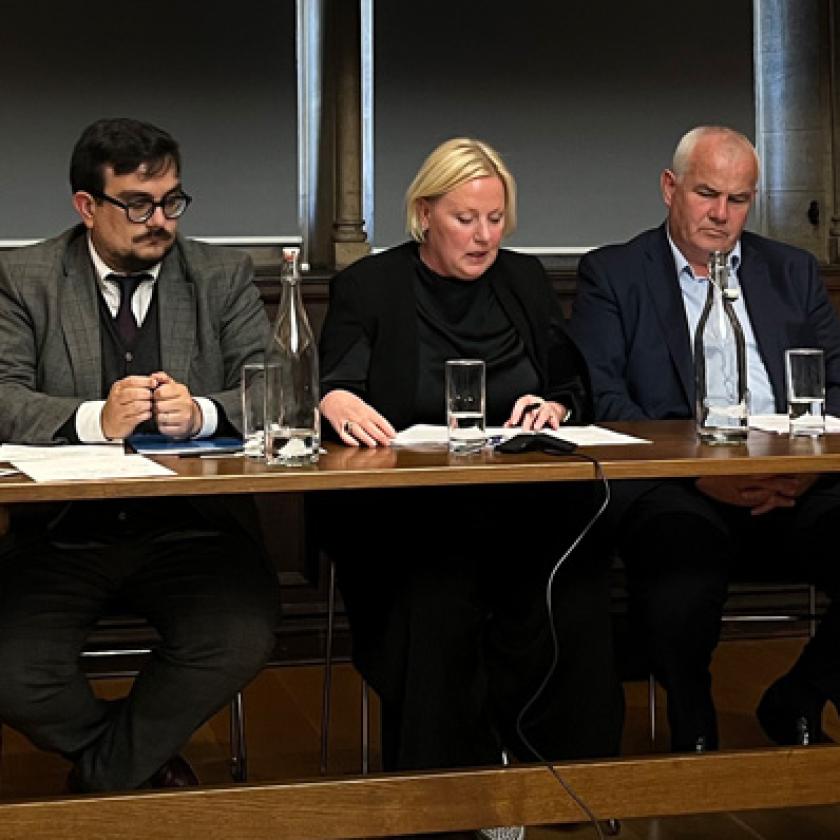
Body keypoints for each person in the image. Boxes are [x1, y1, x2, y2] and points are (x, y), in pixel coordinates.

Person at [317, 138, 623, 780]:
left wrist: (554, 407)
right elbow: (332, 380)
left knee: (578, 580)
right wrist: (337, 399)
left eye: (495, 219)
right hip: (409, 507)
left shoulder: (522, 279)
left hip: (520, 498)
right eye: (466, 219)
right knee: (440, 589)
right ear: (424, 212)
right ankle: (453, 788)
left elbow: (569, 378)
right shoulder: (370, 285)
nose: (484, 237)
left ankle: (560, 779)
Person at [0, 118, 280, 791]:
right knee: (10, 671)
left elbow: (279, 384)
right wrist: (92, 419)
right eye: (138, 204)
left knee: (239, 636)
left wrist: (204, 413)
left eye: (172, 202)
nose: (159, 221)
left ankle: (101, 780)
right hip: (60, 534)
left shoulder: (219, 274)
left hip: (195, 530)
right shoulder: (24, 277)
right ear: (86, 207)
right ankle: (135, 765)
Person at [569, 125, 840, 751]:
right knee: (677, 568)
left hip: (795, 483)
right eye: (706, 194)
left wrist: (809, 470)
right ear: (670, 188)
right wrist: (701, 475)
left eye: (739, 199)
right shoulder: (614, 275)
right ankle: (692, 720)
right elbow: (606, 403)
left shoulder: (792, 271)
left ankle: (800, 694)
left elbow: (837, 384)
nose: (721, 215)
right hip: (681, 488)